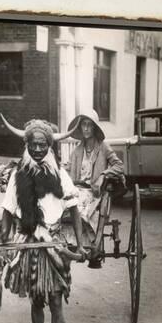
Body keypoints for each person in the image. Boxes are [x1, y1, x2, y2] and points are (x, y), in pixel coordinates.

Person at [0, 115, 86, 323]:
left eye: (42, 145)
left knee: (56, 303)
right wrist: (3, 238)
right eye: (33, 144)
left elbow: (74, 209)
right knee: (36, 301)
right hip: (29, 245)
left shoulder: (59, 174)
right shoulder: (17, 176)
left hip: (54, 245)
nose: (37, 149)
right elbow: (7, 211)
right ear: (27, 145)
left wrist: (80, 244)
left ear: (49, 146)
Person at [68, 110, 125, 267]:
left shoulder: (103, 148)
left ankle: (91, 247)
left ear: (94, 128)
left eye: (89, 125)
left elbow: (119, 166)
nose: (86, 129)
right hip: (77, 189)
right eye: (83, 125)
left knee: (80, 209)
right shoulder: (77, 151)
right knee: (65, 205)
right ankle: (71, 243)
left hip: (94, 192)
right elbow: (68, 171)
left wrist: (103, 175)